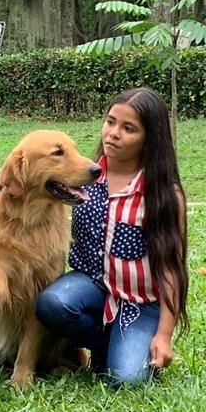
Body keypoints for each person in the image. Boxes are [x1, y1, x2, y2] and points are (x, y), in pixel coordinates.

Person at [35, 87, 189, 386]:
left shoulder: (164, 196)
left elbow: (172, 269)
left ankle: (129, 343)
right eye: (110, 121)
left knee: (126, 380)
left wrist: (164, 336)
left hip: (139, 301)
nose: (113, 133)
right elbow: (32, 190)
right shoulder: (84, 179)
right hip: (90, 284)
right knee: (51, 303)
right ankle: (103, 343)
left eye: (128, 128)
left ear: (150, 139)